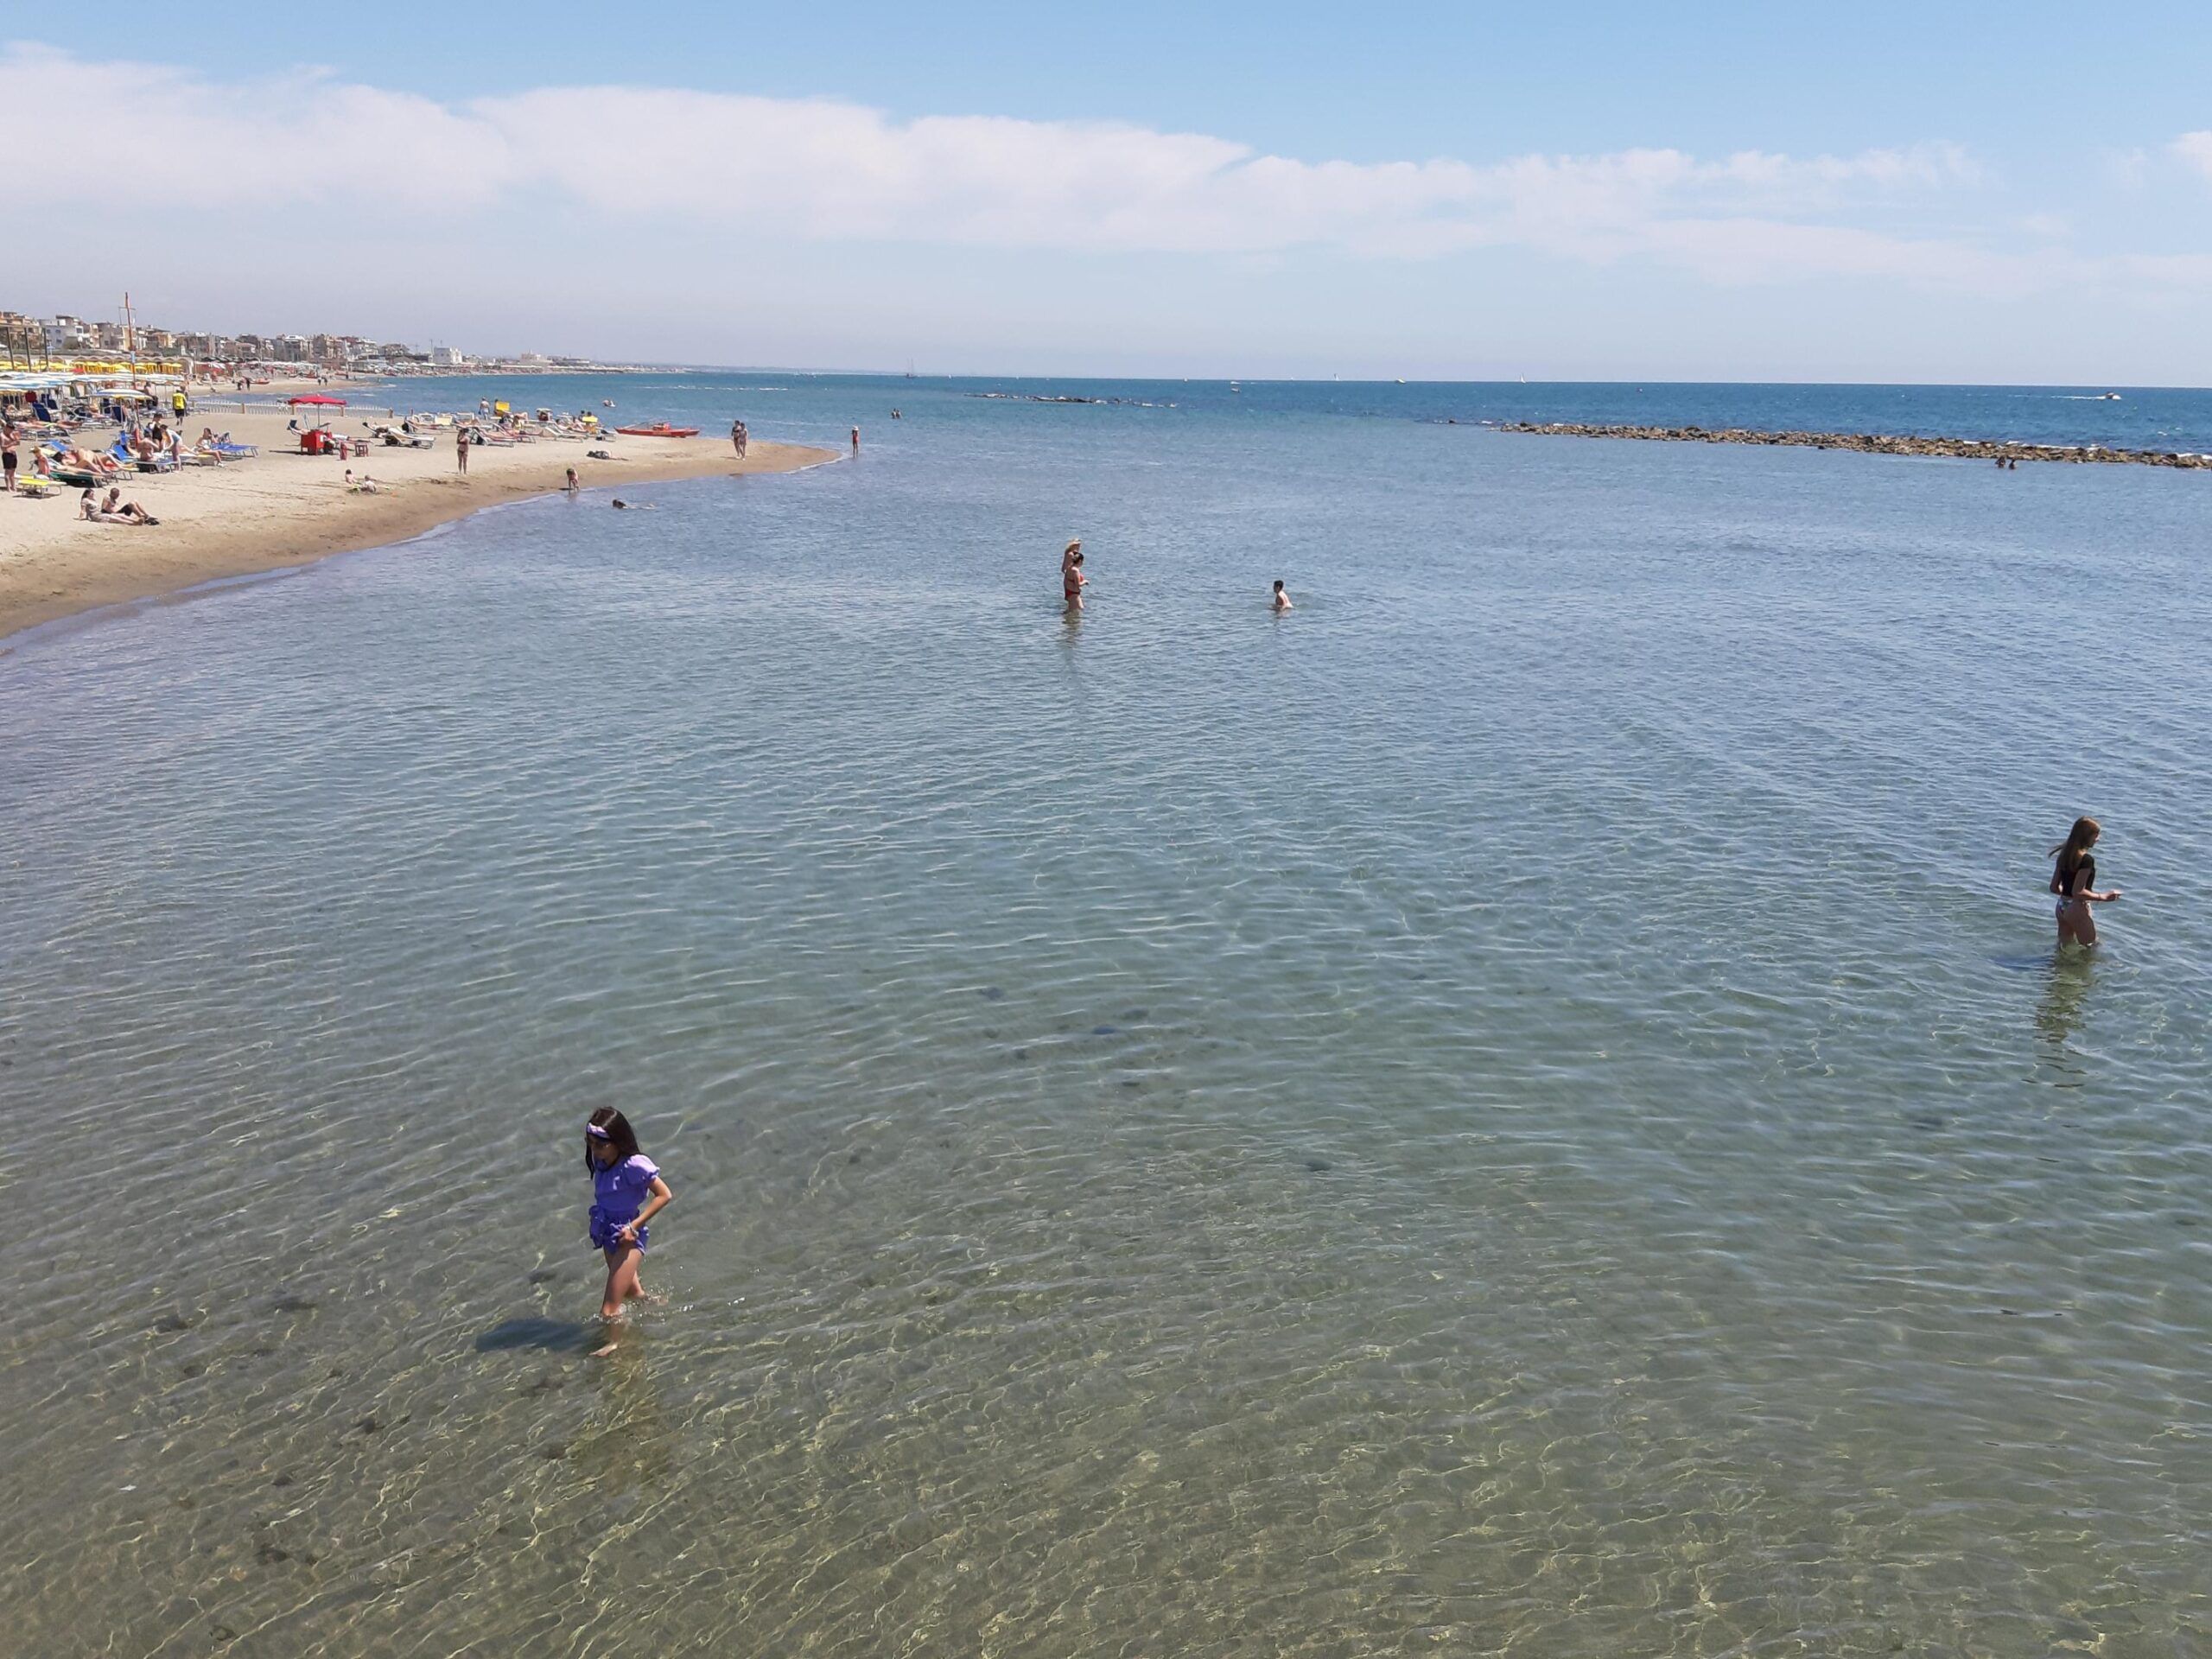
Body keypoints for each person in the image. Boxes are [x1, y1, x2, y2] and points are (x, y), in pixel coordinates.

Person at [583, 1108, 672, 1350]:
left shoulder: (633, 1165)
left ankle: (613, 1344)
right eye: (591, 1144)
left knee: (609, 1308)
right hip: (607, 1232)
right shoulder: (602, 1165)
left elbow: (664, 1195)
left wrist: (633, 1227)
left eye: (601, 1145)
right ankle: (652, 1303)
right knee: (631, 1291)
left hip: (628, 1238)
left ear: (618, 1142)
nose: (595, 1151)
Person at [2050, 816, 2120, 949]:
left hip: (2061, 907)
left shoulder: (2064, 855)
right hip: (2077, 908)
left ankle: (2057, 969)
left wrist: (2068, 895)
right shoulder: (2086, 860)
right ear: (2086, 837)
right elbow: (2078, 892)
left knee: (2064, 948)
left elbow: (2054, 887)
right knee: (2091, 948)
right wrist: (2103, 897)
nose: (2098, 840)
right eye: (2096, 836)